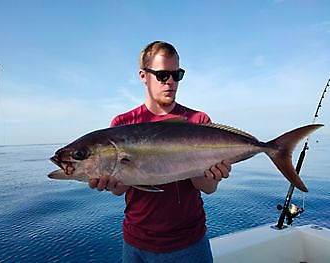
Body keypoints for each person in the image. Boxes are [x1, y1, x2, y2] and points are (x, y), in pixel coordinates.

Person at [88, 41, 231, 262]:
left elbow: (208, 188)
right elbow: (120, 189)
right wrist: (107, 179)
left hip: (189, 243)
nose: (171, 82)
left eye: (177, 75)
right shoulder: (123, 124)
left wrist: (212, 173)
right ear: (143, 76)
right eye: (163, 75)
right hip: (137, 244)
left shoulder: (197, 122)